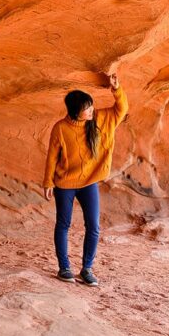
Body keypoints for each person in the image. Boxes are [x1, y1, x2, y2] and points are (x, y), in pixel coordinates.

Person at [42, 72, 128, 286]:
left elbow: (121, 110)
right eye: (86, 108)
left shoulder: (98, 119)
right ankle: (64, 268)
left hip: (89, 182)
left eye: (91, 106)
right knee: (63, 224)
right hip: (65, 184)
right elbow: (52, 156)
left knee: (94, 226)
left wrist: (116, 90)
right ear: (75, 112)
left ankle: (87, 269)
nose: (91, 110)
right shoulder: (61, 128)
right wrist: (48, 182)